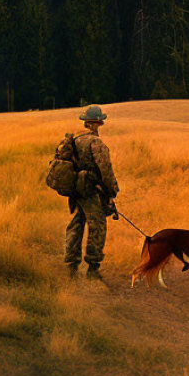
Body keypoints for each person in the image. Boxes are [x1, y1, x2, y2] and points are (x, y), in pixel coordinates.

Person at [64, 105, 119, 281]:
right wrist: (112, 190)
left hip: (76, 190)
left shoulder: (75, 140)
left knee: (77, 223)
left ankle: (71, 266)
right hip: (90, 191)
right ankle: (93, 269)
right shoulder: (96, 143)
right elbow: (106, 170)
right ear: (98, 122)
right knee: (98, 226)